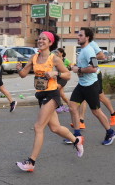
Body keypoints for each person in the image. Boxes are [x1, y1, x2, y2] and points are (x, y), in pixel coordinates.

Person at [15, 31, 83, 172]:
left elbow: (68, 74)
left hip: (52, 94)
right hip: (41, 95)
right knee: (55, 128)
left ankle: (31, 163)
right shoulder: (34, 57)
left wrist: (55, 73)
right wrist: (19, 69)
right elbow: (23, 75)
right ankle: (77, 140)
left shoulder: (55, 59)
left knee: (38, 127)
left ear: (50, 43)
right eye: (39, 39)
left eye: (44, 39)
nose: (40, 41)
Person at [68, 27, 115, 149]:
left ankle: (111, 132)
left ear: (87, 37)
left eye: (80, 35)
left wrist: (78, 70)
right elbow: (85, 66)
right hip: (82, 85)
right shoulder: (83, 50)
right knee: (72, 107)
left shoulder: (89, 50)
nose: (77, 37)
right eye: (78, 35)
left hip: (91, 86)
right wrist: (77, 67)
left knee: (96, 111)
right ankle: (77, 135)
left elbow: (94, 68)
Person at [74, 40, 115, 130]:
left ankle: (113, 113)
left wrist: (91, 58)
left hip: (94, 75)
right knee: (83, 97)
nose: (78, 37)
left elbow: (102, 56)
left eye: (81, 35)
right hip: (84, 76)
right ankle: (81, 121)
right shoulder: (83, 47)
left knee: (100, 97)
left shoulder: (92, 44)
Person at [54, 48, 71, 113]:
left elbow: (70, 66)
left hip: (63, 78)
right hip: (58, 77)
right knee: (62, 94)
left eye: (58, 52)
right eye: (56, 52)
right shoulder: (55, 59)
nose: (56, 53)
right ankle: (71, 106)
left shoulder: (65, 60)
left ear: (61, 53)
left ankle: (60, 106)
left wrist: (66, 68)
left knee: (55, 89)